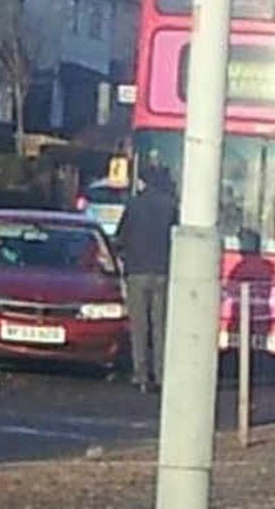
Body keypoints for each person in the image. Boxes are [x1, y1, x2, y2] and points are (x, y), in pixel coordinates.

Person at [115, 165, 178, 393]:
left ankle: (141, 375)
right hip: (162, 271)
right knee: (160, 327)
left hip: (137, 272)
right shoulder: (170, 207)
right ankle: (161, 375)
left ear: (143, 182)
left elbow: (120, 238)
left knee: (139, 326)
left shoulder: (134, 205)